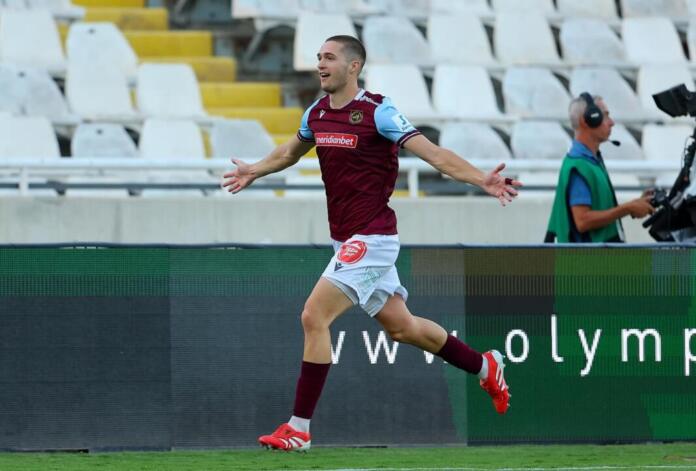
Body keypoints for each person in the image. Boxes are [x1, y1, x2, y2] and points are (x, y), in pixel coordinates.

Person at [222, 35, 521, 452]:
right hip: (344, 240)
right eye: (318, 57)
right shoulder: (317, 112)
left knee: (313, 316)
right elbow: (291, 151)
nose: (320, 64)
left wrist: (480, 179)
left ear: (353, 66)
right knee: (403, 328)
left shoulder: (378, 112)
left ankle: (299, 428)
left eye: (329, 58)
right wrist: (255, 169)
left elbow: (433, 154)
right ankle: (484, 366)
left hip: (372, 238)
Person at [545, 93, 655, 243]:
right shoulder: (579, 166)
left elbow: (600, 209)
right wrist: (627, 208)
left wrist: (636, 204)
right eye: (605, 116)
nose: (611, 122)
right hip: (589, 257)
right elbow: (583, 221)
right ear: (588, 120)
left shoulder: (590, 161)